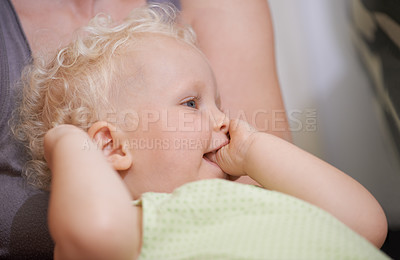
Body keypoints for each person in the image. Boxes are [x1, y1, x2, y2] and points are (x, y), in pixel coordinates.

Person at [14, 4, 388, 259]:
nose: (224, 120)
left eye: (219, 105)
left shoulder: (260, 192)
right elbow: (93, 234)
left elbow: (366, 225)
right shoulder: (133, 224)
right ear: (110, 144)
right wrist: (68, 142)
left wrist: (256, 148)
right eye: (191, 103)